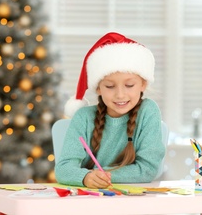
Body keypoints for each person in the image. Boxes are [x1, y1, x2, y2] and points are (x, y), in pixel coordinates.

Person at [55, 32, 165, 189]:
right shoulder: (83, 118)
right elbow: (63, 169)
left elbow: (147, 170)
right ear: (98, 88)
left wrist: (102, 176)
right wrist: (85, 177)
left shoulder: (148, 111)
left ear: (143, 84)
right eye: (110, 86)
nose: (120, 94)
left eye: (129, 85)